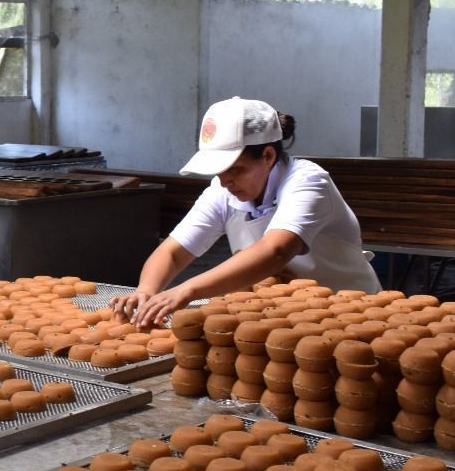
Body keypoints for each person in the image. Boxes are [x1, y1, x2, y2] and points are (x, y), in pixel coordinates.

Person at [114, 97, 379, 331]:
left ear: (267, 155)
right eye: (218, 171)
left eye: (236, 169)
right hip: (285, 320)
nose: (226, 180)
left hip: (351, 315)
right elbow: (173, 252)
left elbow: (275, 251)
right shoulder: (223, 190)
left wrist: (186, 290)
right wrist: (147, 291)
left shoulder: (308, 182)